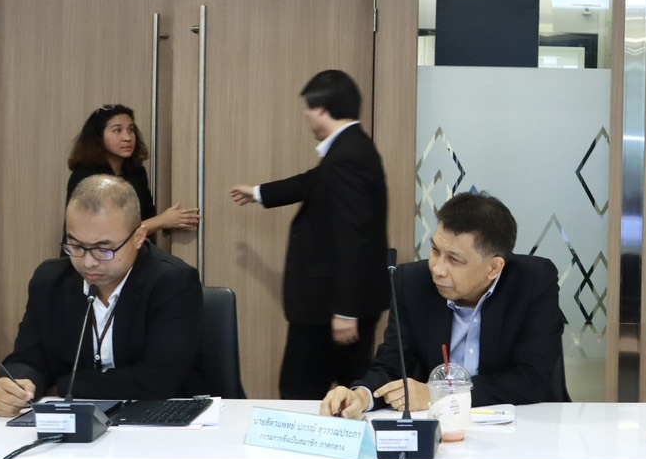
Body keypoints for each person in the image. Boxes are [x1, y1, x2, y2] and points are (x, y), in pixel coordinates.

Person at [321, 191, 563, 418]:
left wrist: (440, 394)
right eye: (436, 250)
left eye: (454, 259)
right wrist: (362, 395)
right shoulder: (411, 283)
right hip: (438, 426)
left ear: (493, 268)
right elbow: (393, 366)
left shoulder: (534, 282)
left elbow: (531, 379)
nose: (437, 269)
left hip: (524, 424)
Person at [230, 70, 390, 401]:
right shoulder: (350, 149)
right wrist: (259, 193)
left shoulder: (348, 157)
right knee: (339, 393)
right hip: (331, 304)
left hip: (330, 308)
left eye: (307, 108)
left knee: (301, 392)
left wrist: (345, 311)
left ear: (321, 109)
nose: (304, 116)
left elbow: (355, 238)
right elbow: (311, 182)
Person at [0, 175, 203, 418]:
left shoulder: (172, 282)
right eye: (76, 246)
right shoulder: (50, 281)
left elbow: (156, 379)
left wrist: (63, 387)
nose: (88, 262)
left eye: (103, 249)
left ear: (138, 237)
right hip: (74, 425)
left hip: (159, 419)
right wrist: (17, 384)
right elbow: (28, 357)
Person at [65, 104, 199, 239]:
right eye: (117, 130)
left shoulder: (137, 173)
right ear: (98, 137)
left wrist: (164, 223)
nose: (127, 137)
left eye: (130, 130)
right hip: (94, 251)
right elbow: (103, 233)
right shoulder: (85, 177)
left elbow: (145, 217)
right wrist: (162, 221)